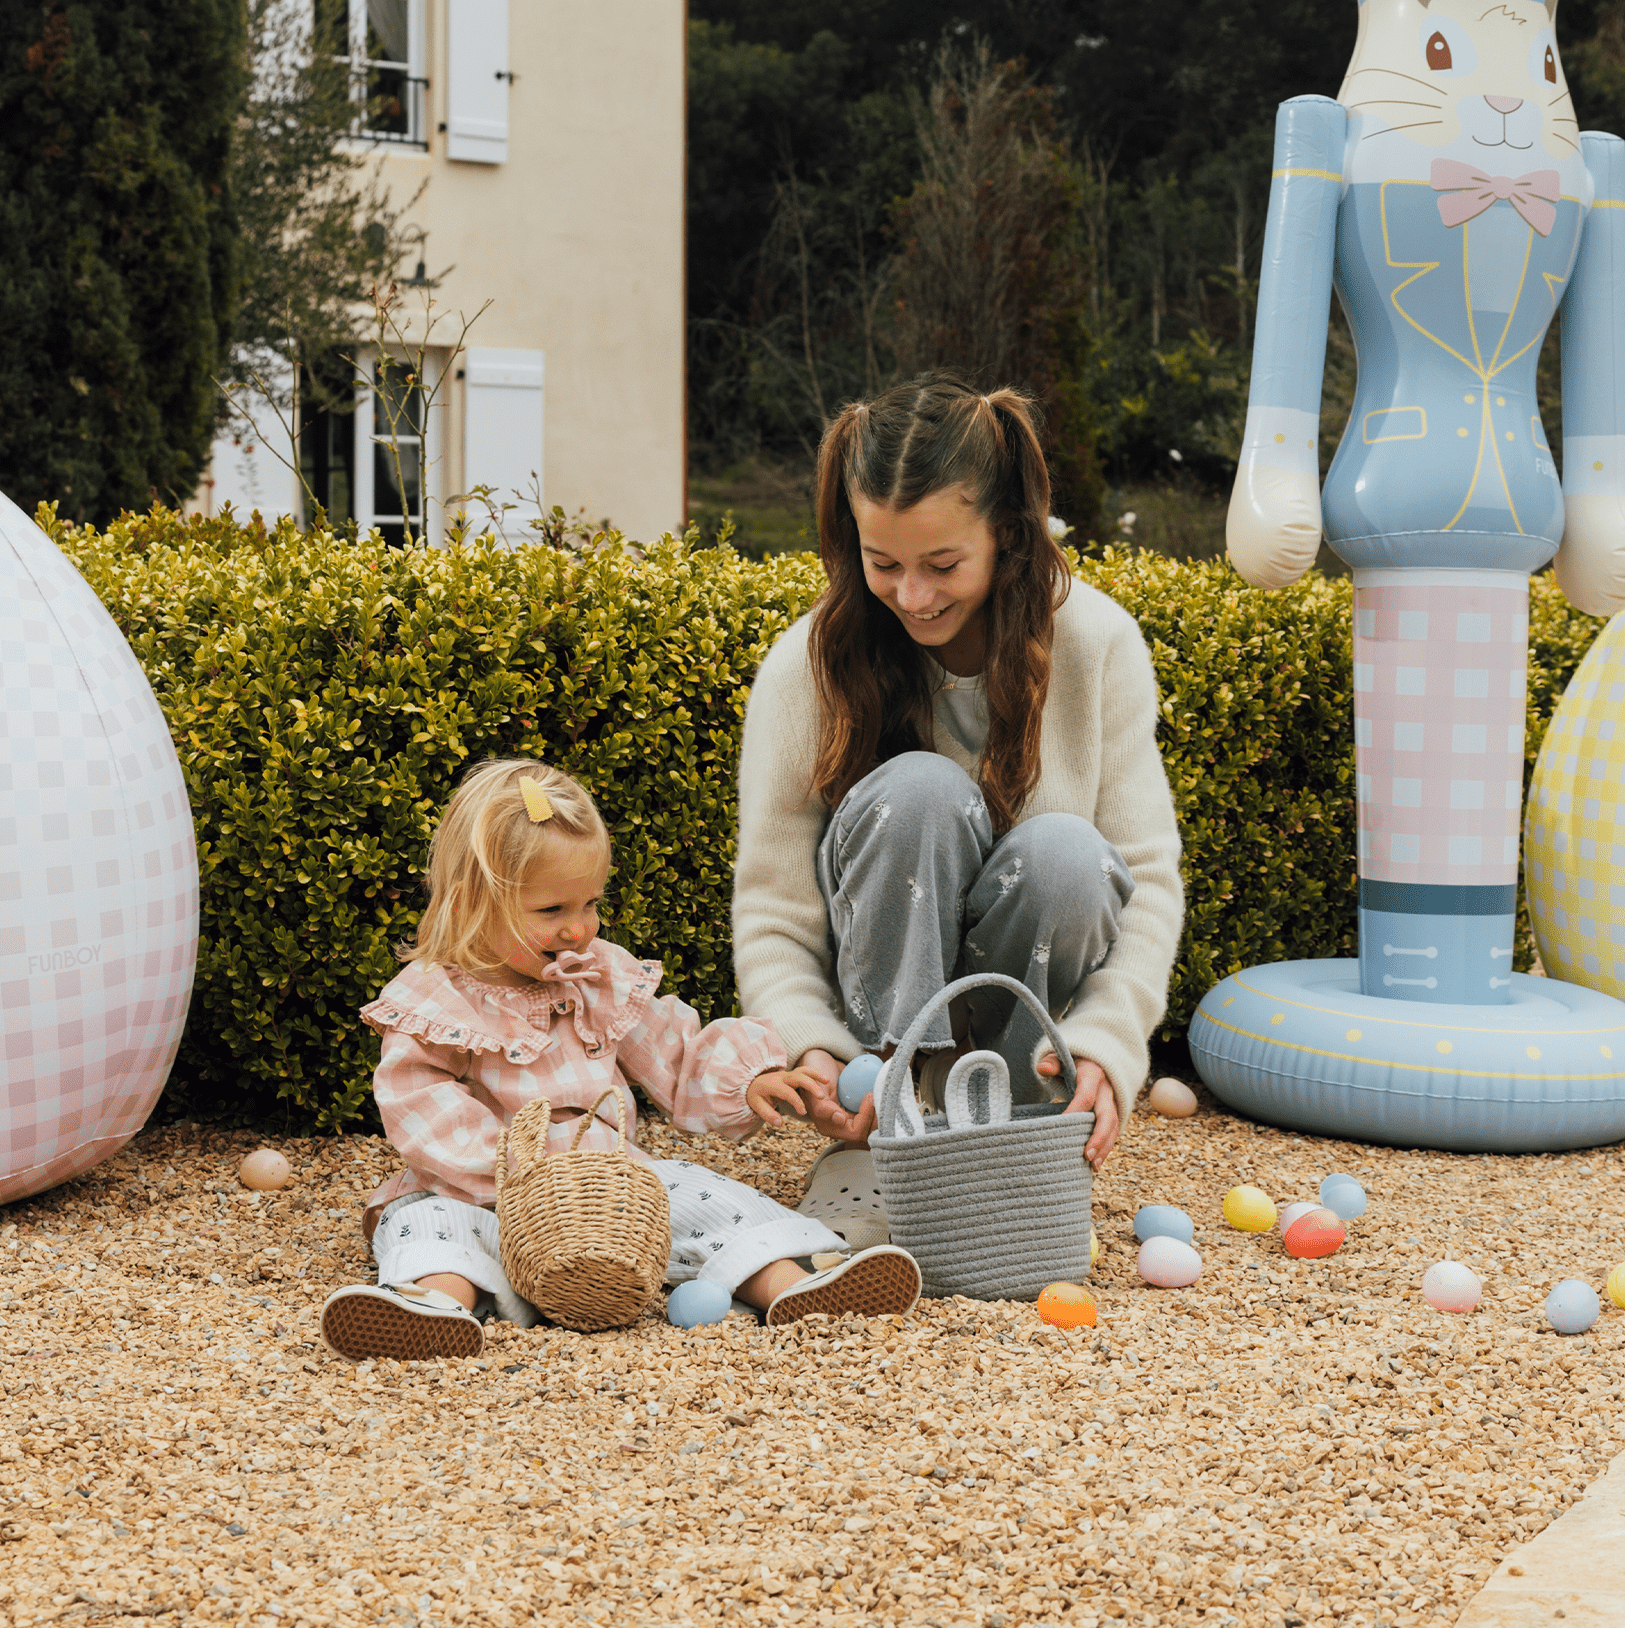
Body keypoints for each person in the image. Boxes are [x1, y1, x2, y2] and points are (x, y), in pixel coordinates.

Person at [732, 377, 1183, 1199]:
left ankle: (1006, 1138)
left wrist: (1108, 1045)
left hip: (1024, 1039)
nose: (913, 595)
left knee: (1066, 854)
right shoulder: (808, 666)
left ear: (1008, 534)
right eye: (883, 564)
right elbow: (774, 907)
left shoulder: (1099, 643)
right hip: (869, 1043)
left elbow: (1145, 880)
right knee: (919, 794)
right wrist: (813, 1044)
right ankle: (888, 1137)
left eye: (943, 564)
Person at [320, 757, 921, 1361]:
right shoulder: (437, 1000)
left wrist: (755, 1079)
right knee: (430, 1224)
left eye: (589, 904)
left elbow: (677, 1053)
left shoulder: (598, 978)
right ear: (471, 901)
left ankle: (794, 1287)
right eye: (552, 911)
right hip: (484, 1190)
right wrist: (517, 1170)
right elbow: (419, 1104)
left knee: (702, 1197)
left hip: (611, 1189)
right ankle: (435, 1307)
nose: (579, 929)